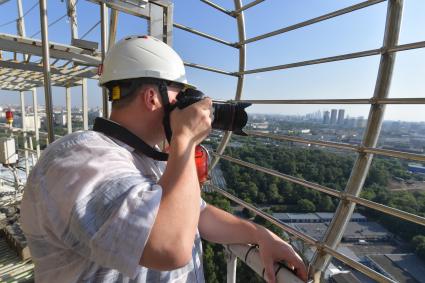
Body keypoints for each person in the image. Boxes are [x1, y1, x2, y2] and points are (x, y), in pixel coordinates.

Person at [20, 35, 308, 283]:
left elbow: (197, 214)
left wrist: (260, 235)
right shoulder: (79, 160)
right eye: (179, 93)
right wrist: (185, 139)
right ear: (151, 97)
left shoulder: (151, 158)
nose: (185, 103)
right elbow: (169, 247)